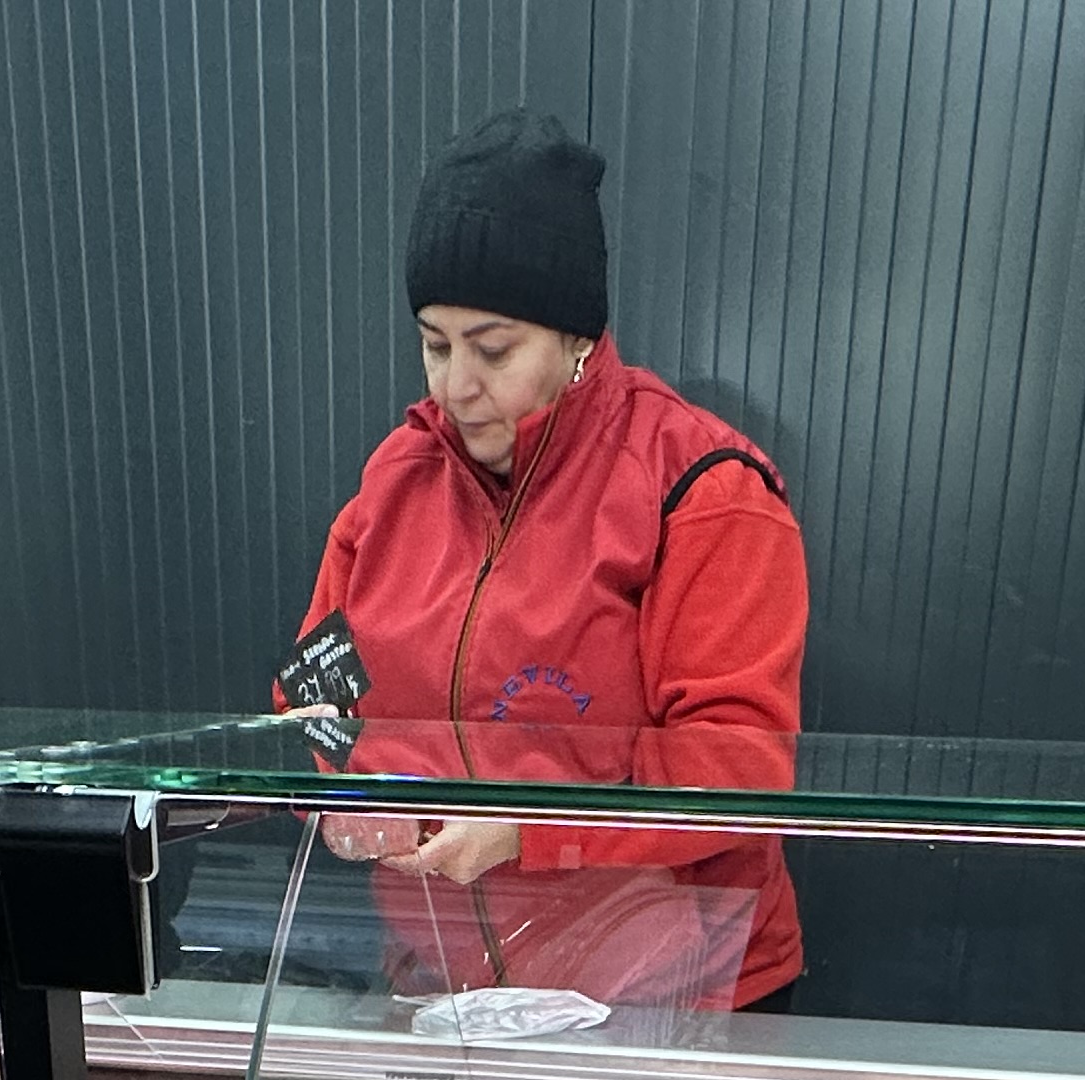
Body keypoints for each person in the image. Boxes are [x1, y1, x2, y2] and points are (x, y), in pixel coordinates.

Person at [283, 110, 809, 1011]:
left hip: (673, 992)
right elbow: (309, 703)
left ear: (577, 342)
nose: (456, 387)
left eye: (493, 350)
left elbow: (736, 770)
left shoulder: (703, 489)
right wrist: (344, 795)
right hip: (446, 989)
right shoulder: (391, 487)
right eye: (435, 345)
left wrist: (527, 829)